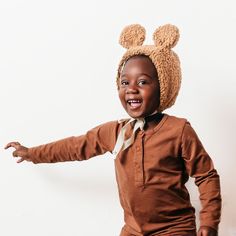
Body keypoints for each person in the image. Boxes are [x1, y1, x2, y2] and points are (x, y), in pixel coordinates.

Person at [5, 24, 221, 236]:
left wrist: (209, 222)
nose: (131, 89)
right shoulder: (116, 132)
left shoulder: (179, 130)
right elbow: (74, 147)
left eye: (143, 82)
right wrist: (32, 153)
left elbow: (206, 176)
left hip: (174, 229)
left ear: (164, 86)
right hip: (133, 229)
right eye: (125, 82)